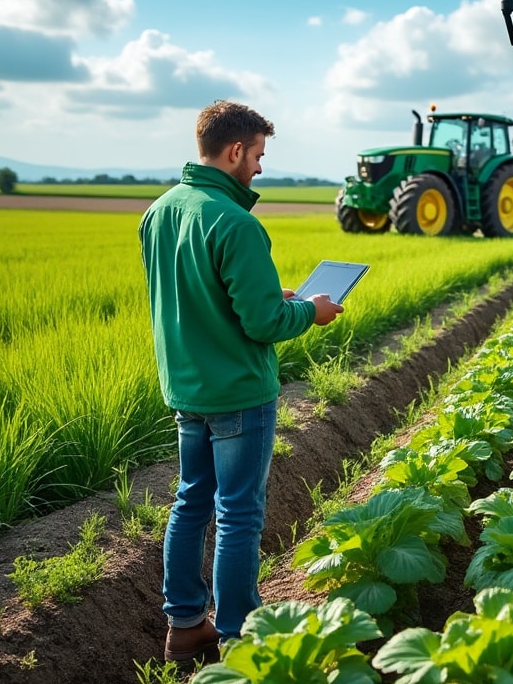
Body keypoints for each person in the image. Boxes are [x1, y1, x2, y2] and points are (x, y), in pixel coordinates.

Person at [140, 100, 344, 662]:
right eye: (257, 155)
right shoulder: (236, 222)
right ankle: (238, 636)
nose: (259, 166)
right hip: (238, 394)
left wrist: (272, 297)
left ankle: (185, 627)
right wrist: (311, 312)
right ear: (235, 151)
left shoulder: (159, 212)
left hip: (187, 389)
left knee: (190, 503)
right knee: (238, 514)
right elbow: (263, 324)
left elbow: (201, 295)